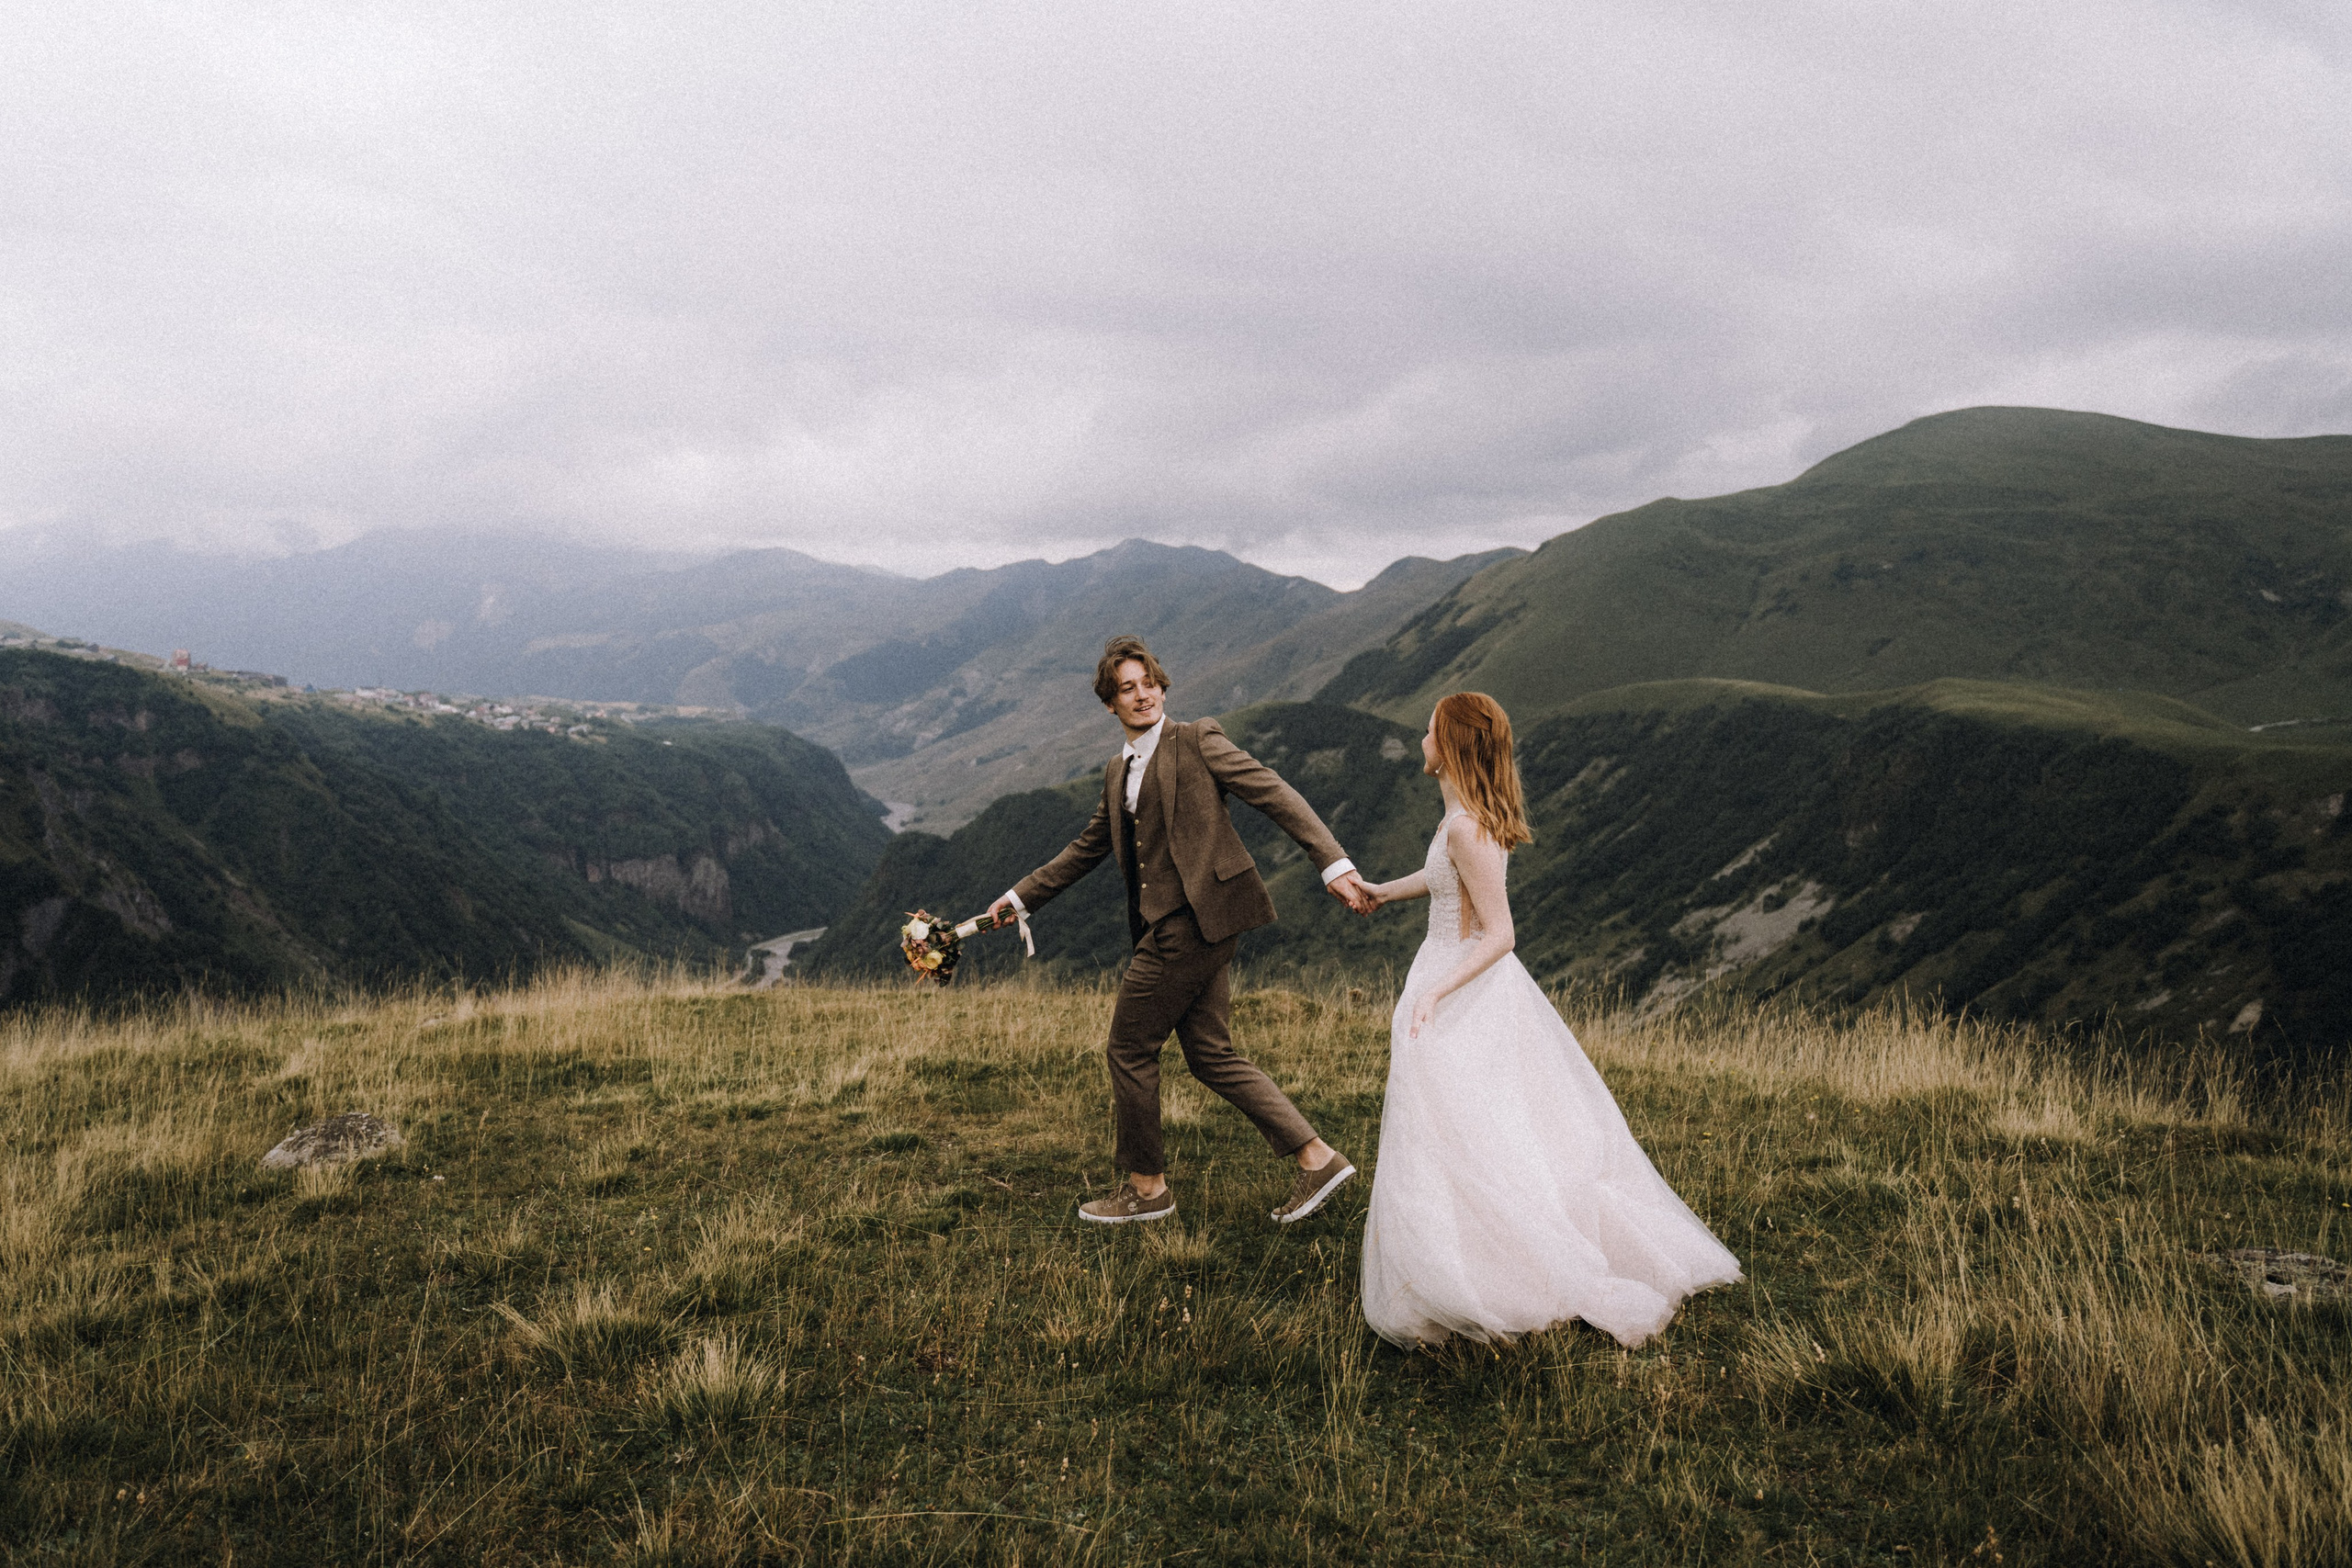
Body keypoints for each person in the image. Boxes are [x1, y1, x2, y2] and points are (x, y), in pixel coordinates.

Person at [1356, 693, 1742, 1348]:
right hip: (1451, 973)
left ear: (1450, 744)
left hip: (1462, 984)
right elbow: (1443, 881)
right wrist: (1380, 891)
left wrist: (1435, 993)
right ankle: (1454, 1259)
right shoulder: (1459, 819)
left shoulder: (1465, 826)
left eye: (1430, 729)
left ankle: (1491, 1266)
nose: (1420, 736)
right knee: (1462, 1126)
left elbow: (1501, 932)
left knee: (1463, 1129)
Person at [988, 635, 1376, 1225]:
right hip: (1181, 926)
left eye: (1149, 683)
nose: (1142, 695)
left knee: (1129, 1047)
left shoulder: (1197, 742)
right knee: (1211, 1055)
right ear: (1109, 703)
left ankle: (1147, 1191)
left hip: (1194, 924)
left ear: (1163, 686)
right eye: (1127, 688)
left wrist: (1333, 862)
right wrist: (1020, 897)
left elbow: (1274, 793)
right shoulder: (1119, 771)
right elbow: (1086, 848)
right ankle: (1317, 1158)